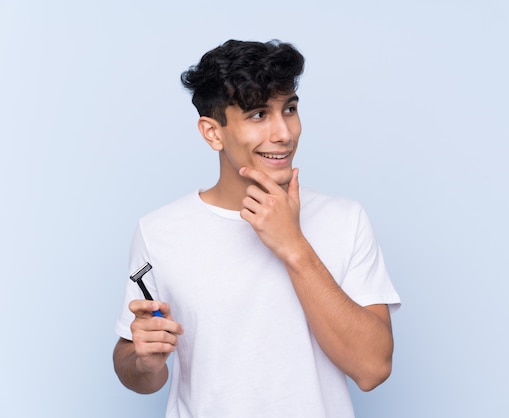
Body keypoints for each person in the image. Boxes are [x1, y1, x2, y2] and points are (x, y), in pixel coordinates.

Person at [113, 39, 401, 418]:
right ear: (212, 132)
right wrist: (144, 362)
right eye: (258, 115)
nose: (284, 133)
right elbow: (134, 369)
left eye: (290, 109)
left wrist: (294, 246)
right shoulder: (160, 231)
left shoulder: (345, 219)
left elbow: (373, 369)